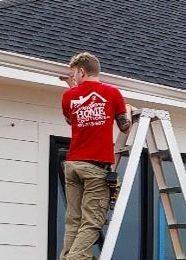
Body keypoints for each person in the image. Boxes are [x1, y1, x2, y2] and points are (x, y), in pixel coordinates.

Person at [60, 52, 131, 260]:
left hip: (72, 165)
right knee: (92, 221)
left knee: (73, 219)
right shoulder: (112, 93)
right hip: (94, 167)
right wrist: (126, 110)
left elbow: (71, 121)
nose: (73, 77)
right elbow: (125, 127)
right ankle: (76, 258)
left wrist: (74, 90)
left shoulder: (68, 96)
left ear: (82, 71)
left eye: (74, 73)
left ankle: (68, 257)